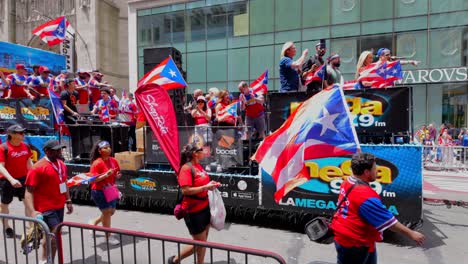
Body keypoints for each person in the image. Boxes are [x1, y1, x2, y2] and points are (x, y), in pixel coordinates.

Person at [331, 152, 425, 264]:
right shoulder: (365, 195)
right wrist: (412, 234)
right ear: (366, 172)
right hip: (354, 244)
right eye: (375, 168)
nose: (377, 171)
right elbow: (390, 223)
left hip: (356, 238)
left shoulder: (348, 181)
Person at [168, 143, 220, 264]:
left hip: (205, 207)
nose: (204, 151)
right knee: (199, 243)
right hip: (193, 211)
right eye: (201, 150)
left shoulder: (199, 166)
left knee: (203, 242)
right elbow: (185, 190)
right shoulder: (186, 168)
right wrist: (205, 187)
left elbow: (201, 183)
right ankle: (175, 260)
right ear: (195, 153)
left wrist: (211, 185)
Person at [24, 140, 73, 263]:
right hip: (45, 207)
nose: (59, 152)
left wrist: (68, 200)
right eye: (56, 150)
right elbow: (28, 192)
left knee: (52, 235)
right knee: (55, 235)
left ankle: (46, 260)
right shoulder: (37, 168)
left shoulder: (61, 164)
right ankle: (46, 260)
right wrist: (33, 211)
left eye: (60, 149)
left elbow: (64, 182)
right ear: (47, 151)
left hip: (59, 205)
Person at [0, 124, 33, 238]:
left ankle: (31, 228)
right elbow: (1, 167)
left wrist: (33, 175)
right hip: (7, 180)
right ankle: (6, 227)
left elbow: (29, 163)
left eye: (23, 132)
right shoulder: (3, 148)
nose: (23, 134)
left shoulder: (26, 146)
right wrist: (11, 179)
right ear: (11, 135)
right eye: (20, 132)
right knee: (5, 204)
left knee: (28, 203)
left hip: (24, 178)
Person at [87, 140, 122, 245]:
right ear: (99, 150)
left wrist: (118, 174)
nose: (108, 149)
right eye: (105, 147)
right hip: (99, 191)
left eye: (109, 147)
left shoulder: (113, 161)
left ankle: (94, 222)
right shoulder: (97, 163)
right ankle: (108, 236)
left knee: (111, 212)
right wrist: (105, 175)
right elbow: (92, 180)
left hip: (110, 189)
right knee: (107, 212)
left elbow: (117, 172)